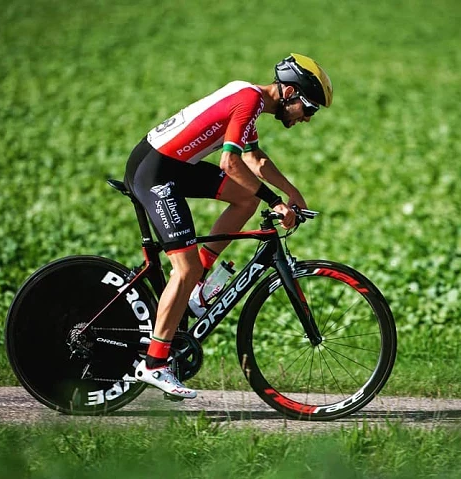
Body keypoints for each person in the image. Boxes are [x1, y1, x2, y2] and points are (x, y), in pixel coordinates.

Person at [123, 53, 333, 399]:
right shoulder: (249, 100)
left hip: (173, 166)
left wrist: (292, 193)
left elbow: (255, 158)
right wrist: (275, 201)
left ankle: (198, 285)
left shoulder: (250, 100)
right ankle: (154, 363)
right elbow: (230, 161)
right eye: (308, 109)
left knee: (244, 200)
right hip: (155, 172)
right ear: (292, 93)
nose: (307, 119)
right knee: (184, 267)